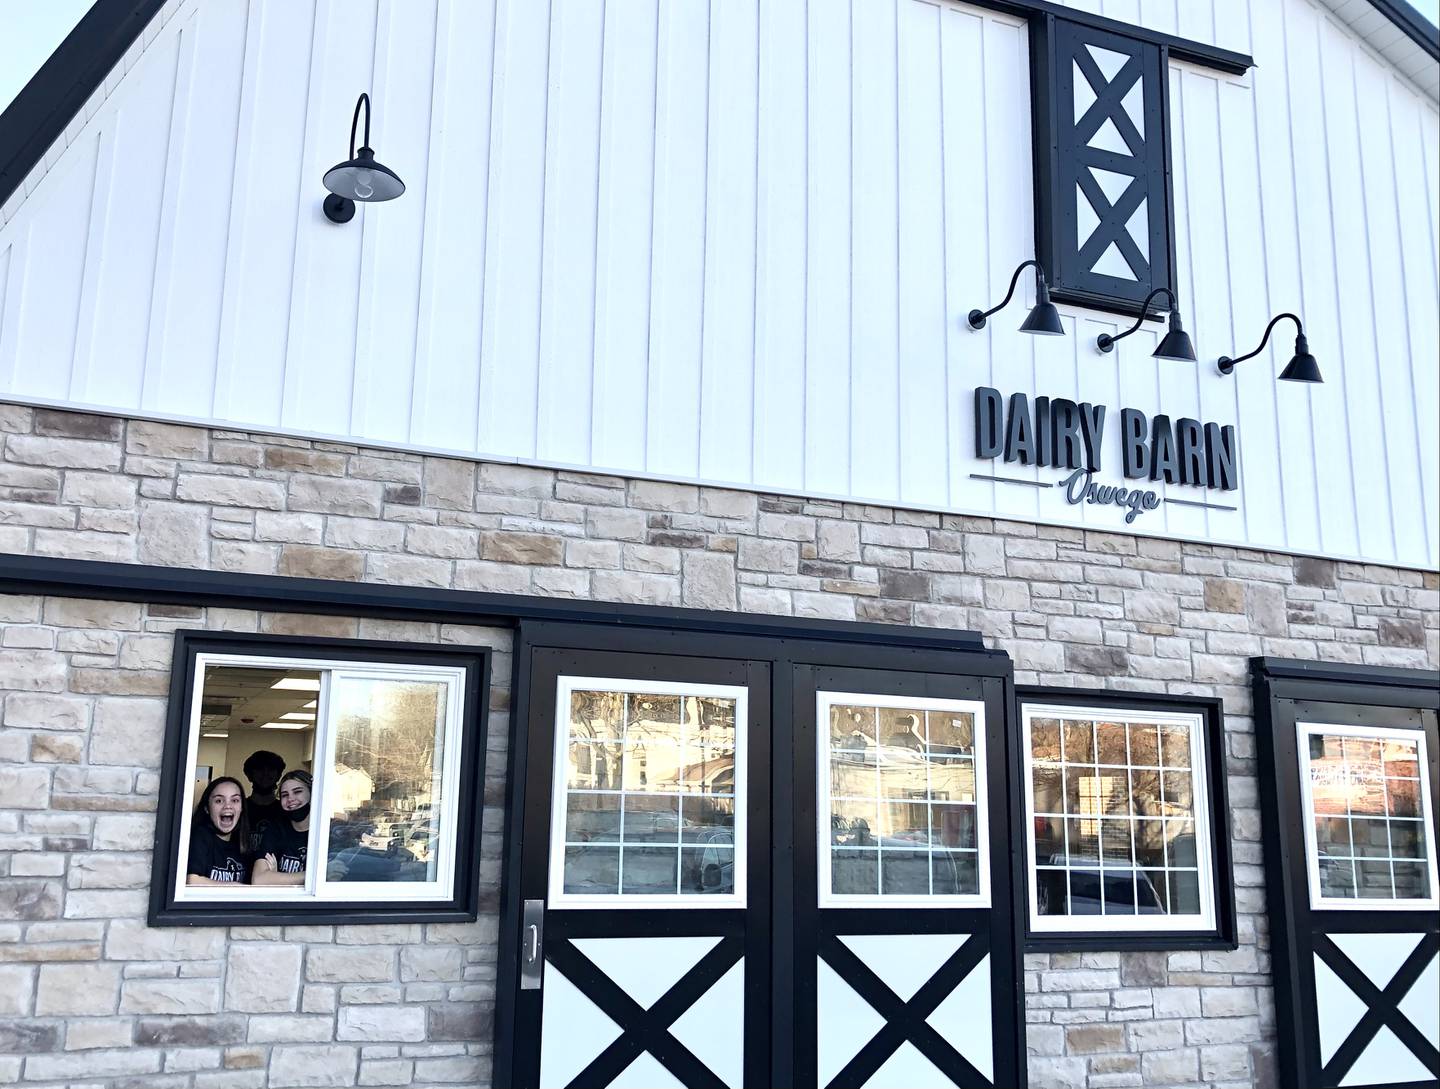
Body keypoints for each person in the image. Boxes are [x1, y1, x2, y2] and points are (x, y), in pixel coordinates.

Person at [251, 770, 311, 885]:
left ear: (312, 794)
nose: (290, 799)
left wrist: (277, 878)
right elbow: (259, 880)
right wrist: (311, 876)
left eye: (297, 792)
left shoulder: (326, 830)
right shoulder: (276, 830)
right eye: (284, 795)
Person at [186, 777, 250, 885]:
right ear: (207, 808)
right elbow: (192, 880)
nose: (228, 806)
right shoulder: (200, 836)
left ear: (242, 807)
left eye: (234, 800)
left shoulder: (242, 842)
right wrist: (233, 887)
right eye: (219, 801)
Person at [242, 750, 286, 855]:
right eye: (260, 769)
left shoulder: (285, 810)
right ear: (250, 775)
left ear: (278, 775)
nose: (265, 774)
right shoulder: (239, 808)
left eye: (271, 769)